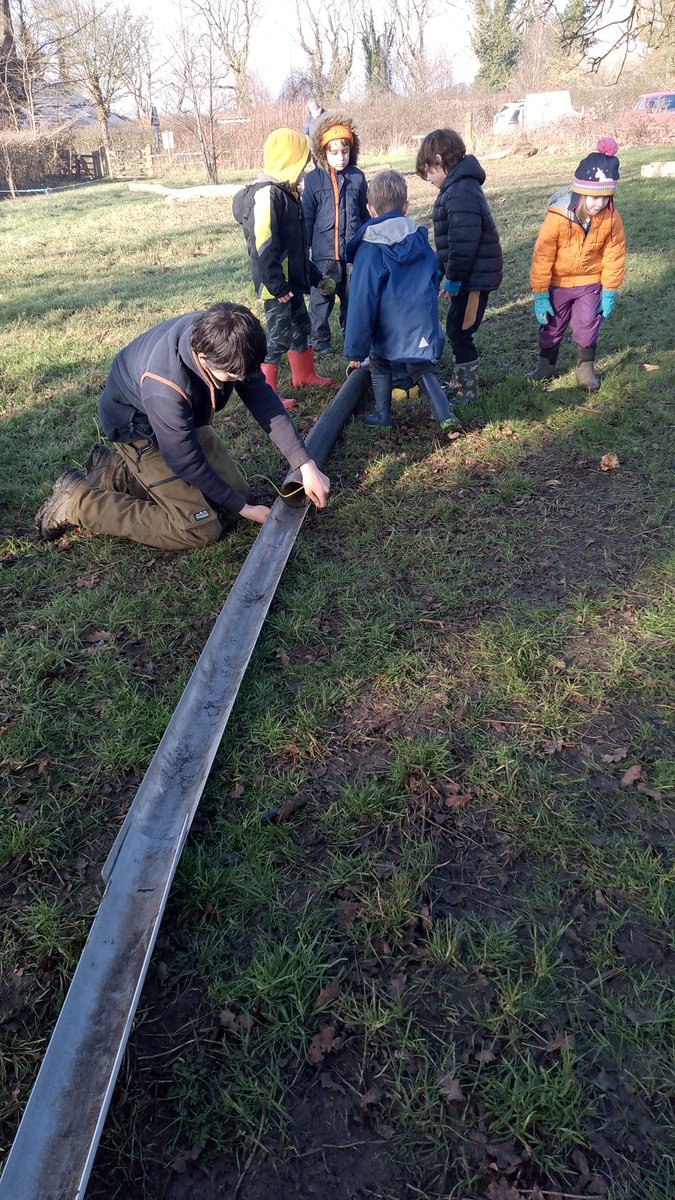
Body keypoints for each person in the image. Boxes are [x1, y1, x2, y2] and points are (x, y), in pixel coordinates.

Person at [34, 303, 331, 550]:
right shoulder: (164, 385)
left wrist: (304, 464)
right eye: (233, 376)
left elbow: (262, 398)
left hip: (181, 424)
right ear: (203, 358)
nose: (242, 381)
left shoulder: (230, 338)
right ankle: (78, 502)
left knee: (236, 491)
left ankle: (114, 473)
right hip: (139, 430)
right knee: (201, 528)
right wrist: (243, 510)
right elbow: (185, 459)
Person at [343, 169, 462, 434]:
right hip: (420, 325)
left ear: (371, 209)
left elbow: (363, 300)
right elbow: (433, 277)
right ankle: (445, 415)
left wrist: (356, 350)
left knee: (379, 363)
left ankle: (383, 416)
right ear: (406, 206)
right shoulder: (419, 238)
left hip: (387, 329)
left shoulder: (370, 247)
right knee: (421, 368)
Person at [233, 127, 337, 403]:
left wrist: (315, 278)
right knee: (278, 338)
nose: (304, 172)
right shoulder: (267, 196)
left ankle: (303, 375)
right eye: (301, 165)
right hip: (277, 286)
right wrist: (276, 285)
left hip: (289, 284)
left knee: (301, 326)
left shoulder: (285, 193)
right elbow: (264, 245)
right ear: (287, 161)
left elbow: (297, 251)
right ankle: (268, 395)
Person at [529, 137, 626, 391]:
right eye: (593, 198)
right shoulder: (558, 218)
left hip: (589, 283)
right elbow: (543, 256)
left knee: (587, 325)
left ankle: (585, 368)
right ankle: (546, 366)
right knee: (552, 326)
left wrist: (610, 290)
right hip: (557, 284)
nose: (599, 204)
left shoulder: (612, 219)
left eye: (605, 199)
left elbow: (614, 255)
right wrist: (540, 293)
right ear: (579, 193)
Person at [416, 128, 503, 406]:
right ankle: (458, 379)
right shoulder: (454, 188)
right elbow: (451, 240)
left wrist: (453, 278)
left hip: (473, 279)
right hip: (465, 276)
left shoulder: (461, 190)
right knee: (455, 326)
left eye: (428, 171)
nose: (428, 179)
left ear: (439, 160)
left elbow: (464, 243)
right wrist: (442, 269)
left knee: (461, 331)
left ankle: (469, 389)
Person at [302, 112, 368, 353]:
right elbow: (307, 218)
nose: (341, 158)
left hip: (352, 253)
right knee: (321, 301)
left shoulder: (358, 178)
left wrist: (367, 243)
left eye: (345, 151)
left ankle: (351, 336)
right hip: (324, 257)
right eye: (334, 152)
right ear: (323, 152)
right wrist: (304, 249)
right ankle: (319, 342)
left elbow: (365, 214)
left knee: (352, 299)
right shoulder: (313, 180)